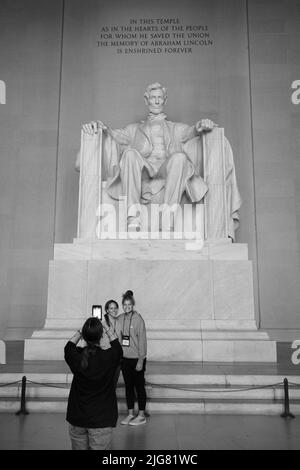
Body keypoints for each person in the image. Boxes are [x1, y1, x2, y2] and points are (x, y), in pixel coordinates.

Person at [81, 82, 217, 231]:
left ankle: (167, 218)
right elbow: (115, 135)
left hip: (167, 168)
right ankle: (133, 216)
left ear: (165, 100)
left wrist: (201, 125)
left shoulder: (176, 128)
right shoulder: (133, 129)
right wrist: (102, 127)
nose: (157, 101)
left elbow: (191, 131)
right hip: (144, 170)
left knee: (180, 158)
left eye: (160, 97)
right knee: (130, 154)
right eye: (153, 98)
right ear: (146, 100)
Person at [64, 316, 123, 450]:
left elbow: (68, 347)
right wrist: (106, 328)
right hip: (101, 419)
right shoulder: (109, 357)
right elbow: (117, 346)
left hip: (78, 417)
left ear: (84, 337)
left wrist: (81, 332)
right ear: (101, 336)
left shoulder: (77, 356)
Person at [115, 290, 147, 426]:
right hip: (125, 359)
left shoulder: (138, 319)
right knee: (128, 387)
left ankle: (141, 415)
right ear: (122, 305)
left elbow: (142, 341)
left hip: (136, 359)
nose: (127, 307)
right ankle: (130, 414)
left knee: (139, 387)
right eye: (125, 305)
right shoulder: (120, 319)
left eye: (129, 305)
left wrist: (141, 360)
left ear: (133, 305)